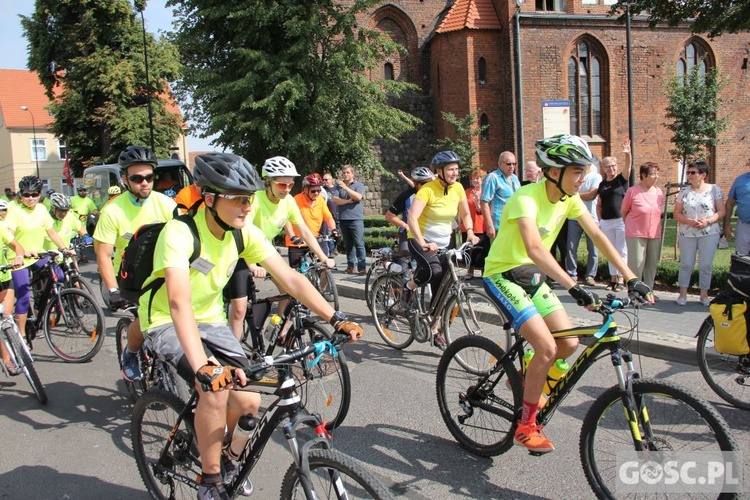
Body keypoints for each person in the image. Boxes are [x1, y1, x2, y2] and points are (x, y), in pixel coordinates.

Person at [140, 152, 362, 499]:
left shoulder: (243, 233)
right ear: (210, 199)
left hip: (210, 318)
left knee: (248, 401)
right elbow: (178, 303)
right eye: (239, 199)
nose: (247, 206)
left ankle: (228, 459)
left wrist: (336, 317)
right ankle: (210, 480)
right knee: (213, 389)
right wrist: (202, 368)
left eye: (249, 198)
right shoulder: (180, 232)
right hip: (166, 320)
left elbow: (289, 278)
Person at [482, 134, 653, 454]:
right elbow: (534, 248)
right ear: (554, 172)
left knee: (569, 342)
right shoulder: (526, 198)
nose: (584, 177)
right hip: (503, 274)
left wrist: (631, 277)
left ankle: (522, 377)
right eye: (577, 171)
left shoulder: (570, 199)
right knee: (546, 347)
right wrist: (574, 287)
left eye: (584, 171)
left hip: (532, 278)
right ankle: (526, 425)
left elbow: (598, 236)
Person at [224, 157, 332, 339]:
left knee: (290, 292)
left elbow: (304, 231)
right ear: (268, 182)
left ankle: (277, 327)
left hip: (264, 250)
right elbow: (243, 232)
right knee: (239, 308)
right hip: (241, 251)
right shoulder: (255, 199)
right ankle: (235, 354)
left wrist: (323, 257)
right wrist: (251, 266)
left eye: (291, 185)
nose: (288, 189)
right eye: (282, 185)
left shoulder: (288, 201)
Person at [94, 145, 177, 381]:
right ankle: (130, 353)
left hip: (163, 271)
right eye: (137, 178)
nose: (145, 183)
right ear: (125, 179)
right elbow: (103, 254)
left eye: (149, 177)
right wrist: (111, 289)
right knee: (146, 316)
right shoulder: (113, 211)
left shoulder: (166, 204)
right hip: (131, 275)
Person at [407, 151, 480, 349]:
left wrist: (471, 232)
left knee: (443, 285)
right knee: (434, 271)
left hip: (443, 243)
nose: (455, 173)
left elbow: (465, 213)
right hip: (419, 239)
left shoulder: (457, 188)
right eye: (450, 169)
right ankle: (409, 287)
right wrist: (423, 242)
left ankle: (434, 327)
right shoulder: (427, 190)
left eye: (456, 169)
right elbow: (412, 218)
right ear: (439, 171)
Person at [4, 176, 71, 337]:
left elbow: (52, 232)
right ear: (20, 195)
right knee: (24, 296)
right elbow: (9, 237)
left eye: (35, 194)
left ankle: (40, 304)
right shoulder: (15, 210)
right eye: (27, 195)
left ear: (40, 194)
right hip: (18, 257)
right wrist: (22, 252)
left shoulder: (41, 209)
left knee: (59, 275)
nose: (31, 198)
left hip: (38, 254)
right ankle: (22, 336)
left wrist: (64, 248)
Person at [674, 160, 725, 306]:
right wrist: (689, 221)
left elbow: (721, 210)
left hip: (709, 232)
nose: (689, 175)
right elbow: (677, 213)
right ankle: (682, 294)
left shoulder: (714, 189)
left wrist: (708, 221)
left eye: (692, 172)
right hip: (687, 233)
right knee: (686, 264)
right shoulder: (684, 191)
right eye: (688, 172)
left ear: (703, 175)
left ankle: (704, 295)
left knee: (705, 264)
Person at [622, 162, 664, 295]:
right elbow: (624, 211)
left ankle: (649, 291)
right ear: (643, 175)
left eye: (657, 173)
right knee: (637, 265)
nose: (656, 177)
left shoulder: (659, 192)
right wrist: (631, 225)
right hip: (636, 233)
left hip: (654, 233)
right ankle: (635, 292)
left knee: (651, 265)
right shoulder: (632, 191)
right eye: (653, 174)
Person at [596, 142, 632, 291]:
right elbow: (599, 204)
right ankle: (612, 279)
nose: (611, 169)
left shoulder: (621, 180)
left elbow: (628, 167)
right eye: (607, 166)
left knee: (621, 250)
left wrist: (627, 153)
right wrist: (600, 220)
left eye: (613, 166)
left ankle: (621, 279)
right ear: (603, 169)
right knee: (610, 251)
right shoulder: (602, 184)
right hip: (606, 222)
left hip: (620, 221)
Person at [285, 173, 337, 267]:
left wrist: (334, 229)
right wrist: (292, 236)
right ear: (305, 190)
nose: (316, 193)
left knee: (324, 267)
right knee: (296, 273)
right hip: (297, 242)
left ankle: (324, 281)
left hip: (314, 240)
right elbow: (287, 220)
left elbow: (328, 217)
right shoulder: (296, 200)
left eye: (318, 190)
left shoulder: (320, 200)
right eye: (313, 191)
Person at [565, 162, 602, 286]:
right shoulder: (575, 177)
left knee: (593, 249)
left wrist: (574, 194)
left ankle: (590, 276)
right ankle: (572, 275)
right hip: (573, 217)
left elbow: (591, 195)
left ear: (589, 164)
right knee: (571, 248)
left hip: (591, 218)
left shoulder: (595, 177)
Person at [0, 201, 25, 376]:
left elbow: (17, 246)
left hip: (3, 278)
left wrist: (19, 256)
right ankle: (7, 359)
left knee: (6, 319)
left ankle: (8, 359)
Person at [384, 167, 435, 251]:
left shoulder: (436, 195)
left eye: (430, 183)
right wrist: (405, 225)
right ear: (415, 183)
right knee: (404, 257)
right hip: (408, 233)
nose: (428, 186)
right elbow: (389, 216)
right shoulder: (406, 196)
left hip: (430, 233)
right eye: (424, 183)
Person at [332, 165, 367, 274]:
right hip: (343, 219)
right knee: (348, 245)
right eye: (344, 173)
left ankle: (362, 268)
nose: (345, 174)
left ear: (352, 174)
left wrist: (346, 188)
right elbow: (335, 200)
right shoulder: (338, 187)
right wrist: (347, 201)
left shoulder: (359, 185)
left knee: (359, 244)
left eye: (348, 172)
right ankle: (351, 266)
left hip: (356, 219)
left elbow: (358, 197)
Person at [481, 151, 520, 241]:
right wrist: (490, 225)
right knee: (499, 254)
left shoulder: (515, 178)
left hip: (514, 224)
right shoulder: (492, 178)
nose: (512, 166)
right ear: (500, 164)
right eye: (508, 164)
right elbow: (484, 202)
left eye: (514, 164)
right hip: (499, 226)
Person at [462, 168, 488, 277]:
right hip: (467, 226)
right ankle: (469, 270)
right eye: (474, 178)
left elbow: (480, 210)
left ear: (482, 179)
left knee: (481, 250)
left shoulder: (485, 192)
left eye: (477, 178)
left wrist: (478, 200)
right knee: (469, 250)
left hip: (481, 225)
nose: (475, 181)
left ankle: (482, 270)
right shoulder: (467, 192)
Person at [724, 157, 750, 255]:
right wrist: (726, 225)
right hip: (744, 225)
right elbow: (730, 203)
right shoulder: (740, 180)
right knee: (742, 257)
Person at [321, 172, 338, 256]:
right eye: (323, 180)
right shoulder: (322, 190)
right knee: (329, 234)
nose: (325, 181)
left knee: (339, 235)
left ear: (331, 180)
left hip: (338, 215)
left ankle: (335, 247)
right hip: (328, 216)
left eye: (326, 179)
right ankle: (331, 251)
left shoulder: (336, 189)